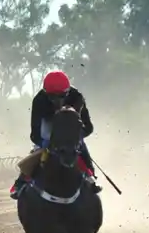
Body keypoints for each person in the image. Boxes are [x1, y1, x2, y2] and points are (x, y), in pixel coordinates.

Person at [11, 69, 99, 199]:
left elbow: (89, 127)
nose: (57, 101)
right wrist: (45, 143)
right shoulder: (39, 100)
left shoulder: (77, 97)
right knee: (40, 149)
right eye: (52, 97)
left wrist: (74, 137)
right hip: (49, 126)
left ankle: (90, 177)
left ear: (68, 92)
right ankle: (21, 182)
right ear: (46, 93)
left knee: (79, 146)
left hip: (70, 126)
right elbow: (35, 134)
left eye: (62, 96)